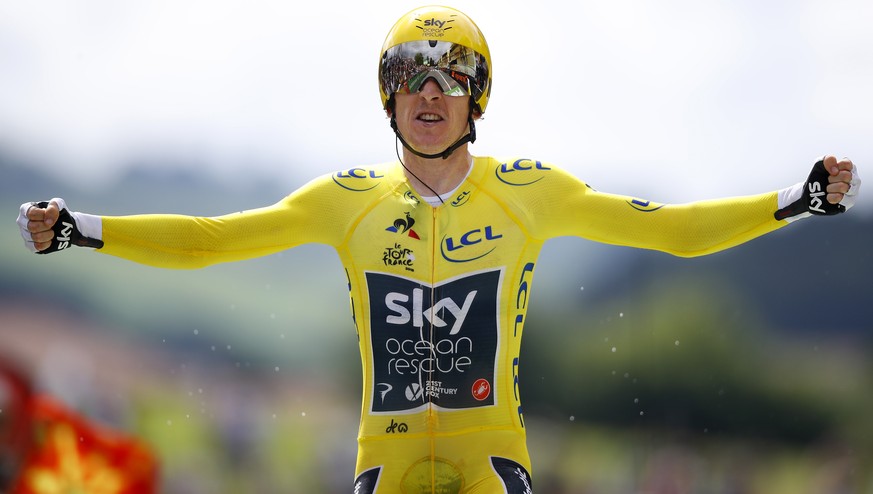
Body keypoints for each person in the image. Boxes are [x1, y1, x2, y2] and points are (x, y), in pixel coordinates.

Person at [15, 5, 861, 494]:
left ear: (475, 100)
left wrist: (798, 199)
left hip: (490, 453)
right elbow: (209, 242)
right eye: (410, 77)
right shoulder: (343, 200)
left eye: (449, 77)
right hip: (382, 455)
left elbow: (671, 232)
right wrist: (84, 228)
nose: (428, 91)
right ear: (388, 101)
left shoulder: (530, 189)